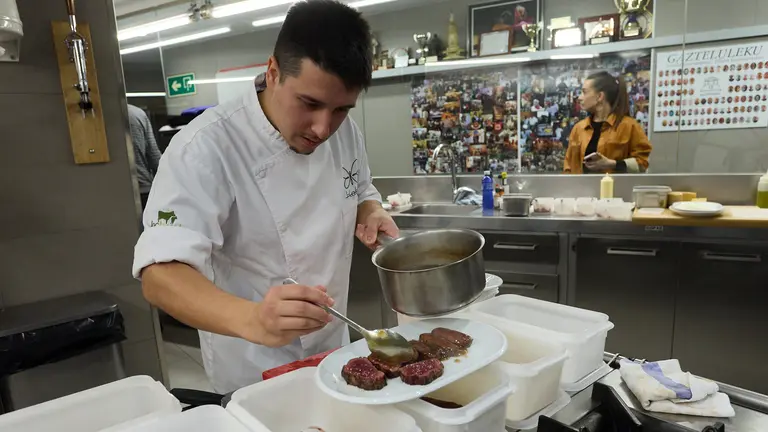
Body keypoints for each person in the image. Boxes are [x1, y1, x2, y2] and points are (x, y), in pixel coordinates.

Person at [131, 0, 398, 394]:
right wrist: (254, 319)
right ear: (273, 72)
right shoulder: (204, 147)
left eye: (341, 109)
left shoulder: (346, 133)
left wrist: (370, 209)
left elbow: (360, 188)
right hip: (253, 365)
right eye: (309, 104)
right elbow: (160, 276)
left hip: (333, 350)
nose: (323, 128)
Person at [563, 72, 652, 174]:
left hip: (615, 184)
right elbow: (568, 166)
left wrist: (613, 164)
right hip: (581, 184)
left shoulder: (629, 126)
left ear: (599, 96)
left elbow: (642, 164)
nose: (579, 97)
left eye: (584, 92)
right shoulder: (579, 128)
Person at [127, 104, 162, 209]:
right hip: (144, 188)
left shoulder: (96, 118)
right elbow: (154, 155)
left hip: (114, 192)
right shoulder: (136, 113)